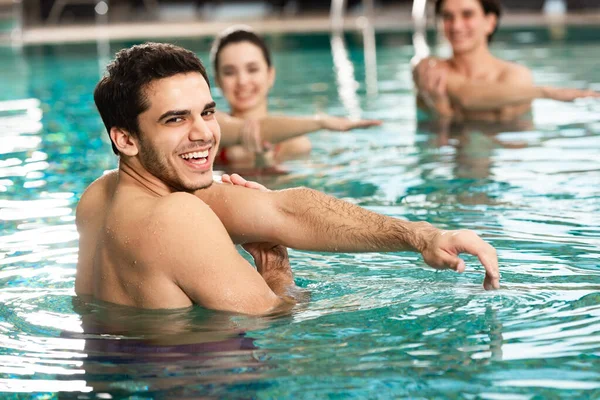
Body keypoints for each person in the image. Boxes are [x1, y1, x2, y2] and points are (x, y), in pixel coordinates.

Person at [76, 42, 500, 316]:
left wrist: (420, 236)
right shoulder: (178, 216)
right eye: (175, 119)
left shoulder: (99, 195)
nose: (204, 132)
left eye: (207, 112)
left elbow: (283, 208)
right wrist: (277, 270)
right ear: (126, 138)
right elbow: (277, 322)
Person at [211, 26, 381, 167]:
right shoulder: (210, 131)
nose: (242, 81)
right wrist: (319, 122)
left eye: (252, 69)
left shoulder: (296, 144)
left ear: (270, 75)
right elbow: (256, 130)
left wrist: (266, 167)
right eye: (229, 72)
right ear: (218, 80)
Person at [412, 0, 600, 122]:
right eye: (447, 16)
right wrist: (545, 92)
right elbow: (465, 96)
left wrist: (446, 112)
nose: (456, 25)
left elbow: (512, 141)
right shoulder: (427, 67)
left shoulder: (515, 76)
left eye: (467, 14)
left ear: (490, 22)